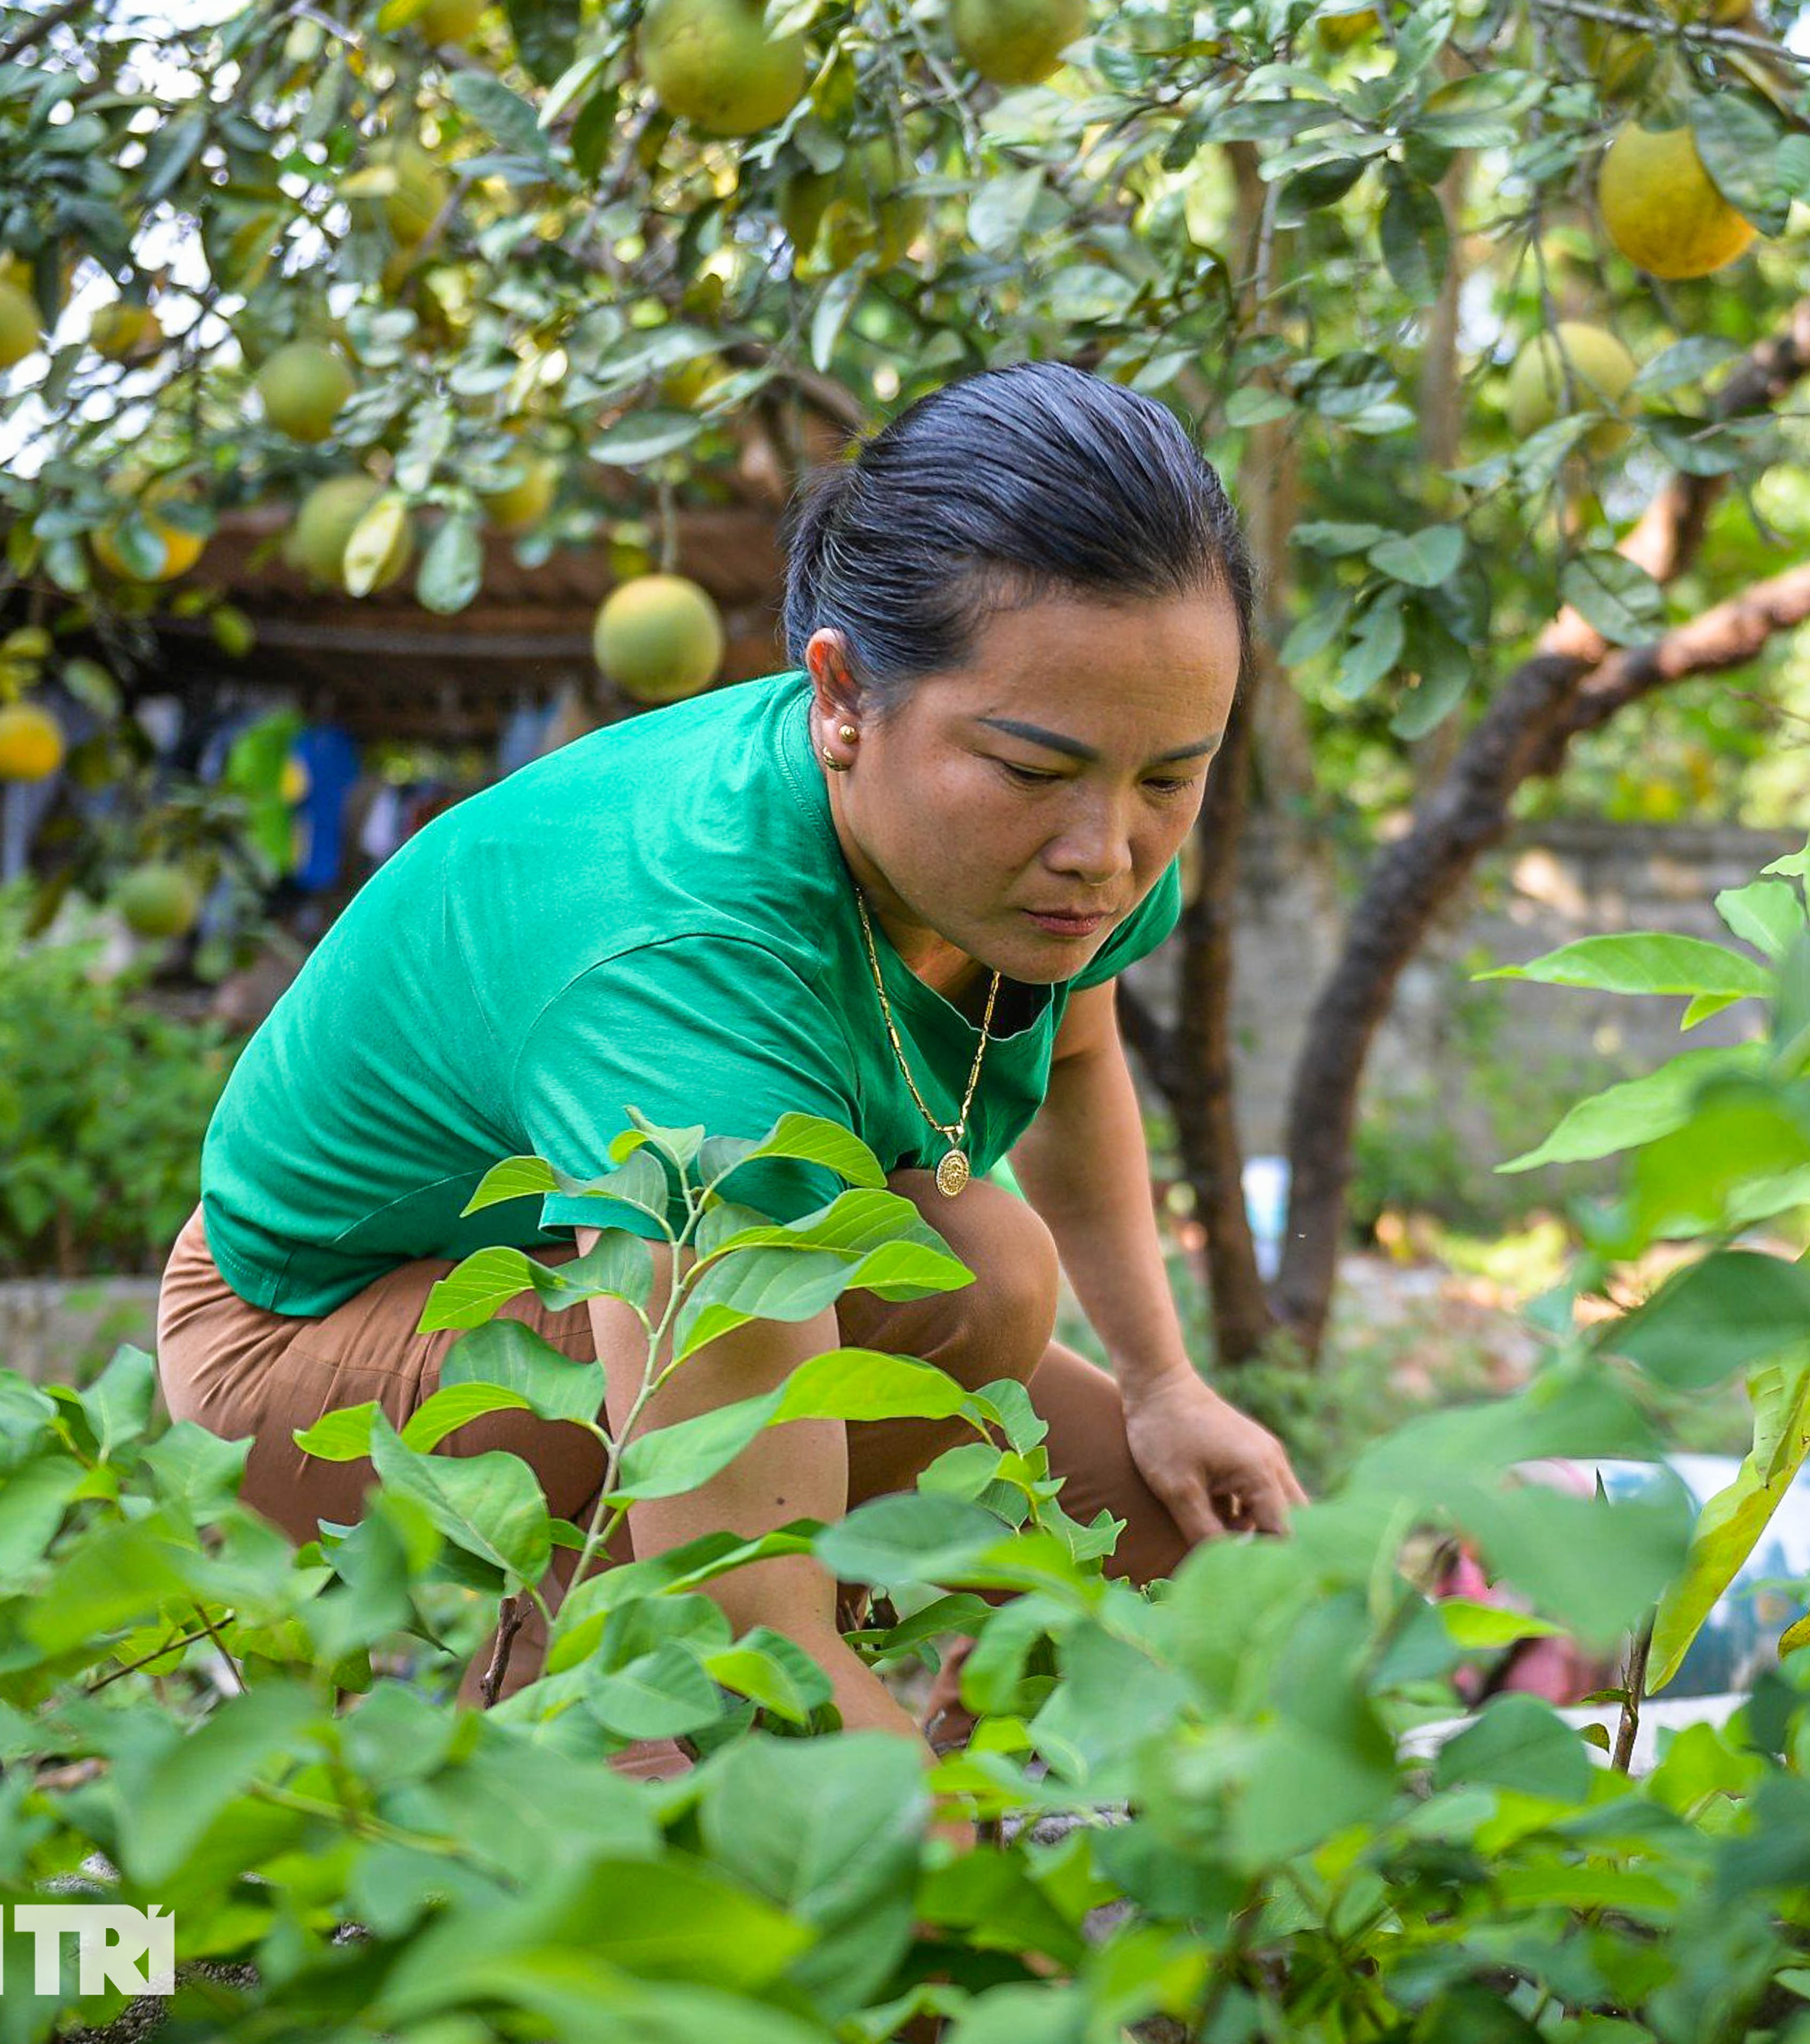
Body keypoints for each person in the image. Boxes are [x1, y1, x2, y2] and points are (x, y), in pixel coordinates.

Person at [153, 362, 1308, 1776]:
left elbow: (1069, 1051)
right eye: (1031, 770)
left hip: (610, 1287)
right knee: (736, 1707)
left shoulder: (1052, 860)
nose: (1106, 850)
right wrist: (924, 1856)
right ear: (843, 699)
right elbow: (748, 1627)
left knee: (1170, 1541)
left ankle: (593, 1728)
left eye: (1167, 778)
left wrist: (1162, 1382)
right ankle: (542, 1791)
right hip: (298, 1350)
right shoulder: (687, 967)